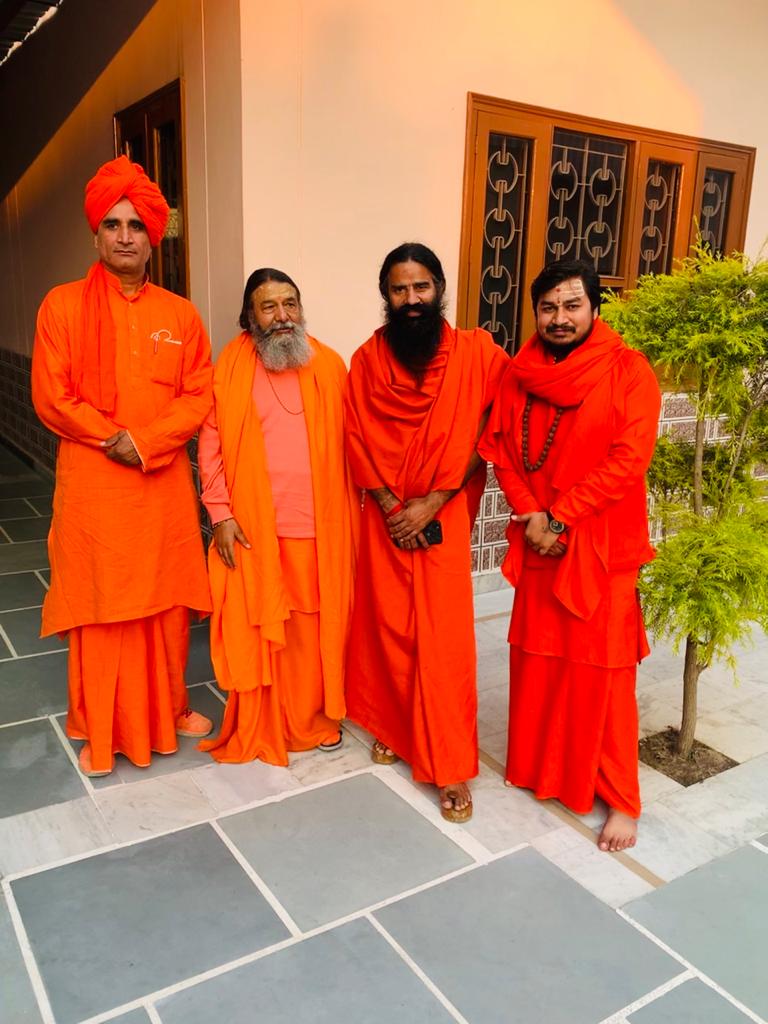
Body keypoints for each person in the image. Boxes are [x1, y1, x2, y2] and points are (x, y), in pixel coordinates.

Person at [32, 155, 214, 778]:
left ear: (153, 237)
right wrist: (116, 439)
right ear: (96, 235)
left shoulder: (180, 314)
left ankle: (171, 707)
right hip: (94, 487)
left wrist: (147, 441)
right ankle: (102, 725)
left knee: (165, 604)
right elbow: (52, 396)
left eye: (137, 225)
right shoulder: (61, 306)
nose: (126, 236)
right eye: (113, 224)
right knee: (101, 605)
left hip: (160, 485)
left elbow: (198, 394)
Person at [479, 258, 661, 852]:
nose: (559, 318)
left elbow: (629, 459)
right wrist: (533, 515)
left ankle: (621, 798)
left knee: (604, 674)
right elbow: (503, 452)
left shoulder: (629, 370)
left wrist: (560, 516)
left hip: (600, 544)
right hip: (541, 538)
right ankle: (545, 769)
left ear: (595, 308)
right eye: (548, 307)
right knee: (540, 661)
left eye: (572, 305)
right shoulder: (520, 373)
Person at [344, 242, 508, 821]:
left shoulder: (478, 355)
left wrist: (433, 502)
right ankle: (395, 728)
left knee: (442, 641)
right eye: (399, 289)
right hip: (386, 517)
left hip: (444, 513)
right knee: (389, 629)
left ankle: (449, 765)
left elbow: (492, 430)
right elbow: (355, 437)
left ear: (440, 288)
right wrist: (394, 507)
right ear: (385, 296)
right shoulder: (367, 361)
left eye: (421, 287)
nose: (411, 299)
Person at [197, 268, 358, 764]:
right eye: (269, 306)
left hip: (320, 527)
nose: (282, 315)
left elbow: (357, 441)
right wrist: (220, 514)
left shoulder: (328, 364)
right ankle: (265, 721)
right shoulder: (231, 365)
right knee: (262, 626)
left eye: (290, 303)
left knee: (311, 631)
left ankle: (311, 720)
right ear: (250, 316)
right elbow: (211, 445)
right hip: (254, 529)